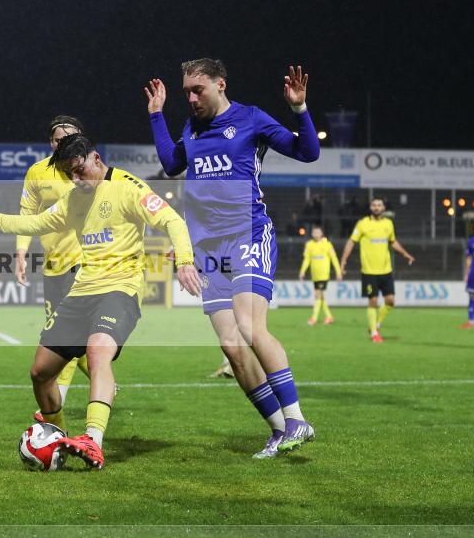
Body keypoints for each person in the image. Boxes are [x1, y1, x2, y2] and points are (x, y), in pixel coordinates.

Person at [0, 134, 201, 469]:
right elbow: (37, 222)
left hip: (119, 289)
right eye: (69, 175)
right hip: (81, 292)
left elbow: (172, 220)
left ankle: (93, 440)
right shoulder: (76, 198)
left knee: (97, 352)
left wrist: (185, 261)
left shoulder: (128, 187)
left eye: (79, 171)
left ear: (96, 158)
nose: (75, 180)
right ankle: (57, 437)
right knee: (40, 372)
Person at [146, 59, 320, 456]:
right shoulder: (193, 127)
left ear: (220, 85)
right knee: (231, 346)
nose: (190, 98)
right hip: (209, 250)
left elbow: (307, 152)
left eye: (197, 90)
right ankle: (280, 430)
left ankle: (297, 419)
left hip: (247, 234)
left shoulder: (251, 119)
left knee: (249, 326)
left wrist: (299, 109)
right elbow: (173, 165)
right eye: (186, 91)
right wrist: (157, 116)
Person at [15, 116, 90, 419]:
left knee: (63, 336)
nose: (65, 143)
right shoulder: (37, 172)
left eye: (71, 138)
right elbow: (26, 215)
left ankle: (52, 412)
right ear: (52, 143)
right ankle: (103, 380)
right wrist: (21, 252)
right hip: (52, 267)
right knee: (78, 344)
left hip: (83, 263)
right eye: (60, 140)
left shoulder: (88, 169)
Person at [339, 197, 415, 342]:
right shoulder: (363, 224)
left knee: (390, 301)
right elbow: (351, 242)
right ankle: (374, 332)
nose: (376, 207)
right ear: (370, 208)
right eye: (374, 205)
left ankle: (376, 323)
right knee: (373, 301)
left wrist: (405, 254)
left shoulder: (388, 224)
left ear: (383, 208)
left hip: (386, 270)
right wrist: (344, 261)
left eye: (379, 205)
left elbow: (393, 242)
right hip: (369, 272)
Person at [299, 225, 343, 325]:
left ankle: (313, 319)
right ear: (312, 234)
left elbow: (334, 259)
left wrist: (338, 272)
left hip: (324, 274)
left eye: (318, 232)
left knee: (317, 295)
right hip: (315, 275)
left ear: (321, 233)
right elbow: (307, 260)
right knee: (320, 296)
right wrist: (302, 271)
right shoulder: (309, 244)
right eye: (314, 232)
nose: (316, 234)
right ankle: (329, 317)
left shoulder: (327, 244)